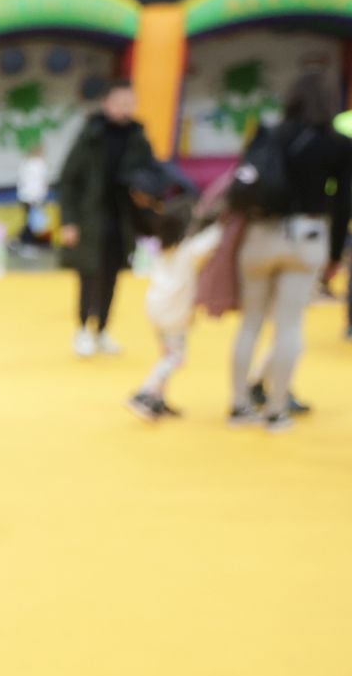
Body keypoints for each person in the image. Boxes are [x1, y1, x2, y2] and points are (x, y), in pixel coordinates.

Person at [229, 73, 351, 432]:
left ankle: (239, 406)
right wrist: (333, 254)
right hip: (308, 236)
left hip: (260, 233)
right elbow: (344, 202)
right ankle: (277, 409)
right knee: (289, 325)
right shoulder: (339, 144)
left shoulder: (269, 133)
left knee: (250, 323)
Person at [57, 79, 155, 358]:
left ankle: (102, 330)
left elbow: (151, 173)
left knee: (113, 275)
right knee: (89, 274)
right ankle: (82, 329)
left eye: (130, 103)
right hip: (91, 218)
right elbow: (68, 180)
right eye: (120, 102)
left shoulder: (137, 137)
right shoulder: (91, 135)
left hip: (122, 219)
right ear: (106, 104)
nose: (125, 109)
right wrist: (69, 220)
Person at [126, 203, 224, 421]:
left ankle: (158, 399)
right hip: (175, 312)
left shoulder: (161, 249)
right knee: (175, 358)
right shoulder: (189, 251)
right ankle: (145, 392)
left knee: (165, 354)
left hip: (155, 308)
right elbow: (214, 237)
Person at [15, 142, 50, 251]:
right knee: (31, 222)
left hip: (26, 196)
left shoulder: (25, 163)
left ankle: (27, 241)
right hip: (33, 197)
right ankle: (26, 241)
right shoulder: (39, 164)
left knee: (32, 221)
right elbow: (41, 182)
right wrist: (38, 197)